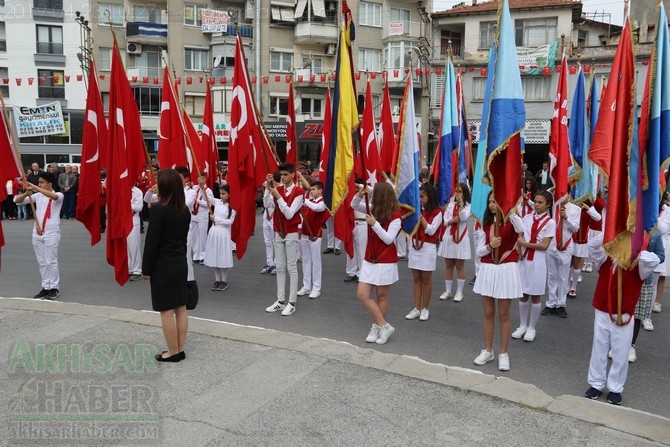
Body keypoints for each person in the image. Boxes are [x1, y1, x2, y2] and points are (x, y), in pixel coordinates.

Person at [584, 233, 661, 405]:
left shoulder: (639, 265)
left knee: (620, 352)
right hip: (603, 311)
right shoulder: (605, 258)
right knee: (599, 348)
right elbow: (593, 246)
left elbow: (654, 260)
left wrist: (635, 251)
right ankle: (596, 383)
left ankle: (615, 388)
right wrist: (611, 231)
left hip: (624, 314)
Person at [142, 169, 191, 363]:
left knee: (166, 311)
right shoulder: (184, 209)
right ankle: (179, 348)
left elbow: (152, 243)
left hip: (163, 265)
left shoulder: (159, 210)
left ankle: (172, 352)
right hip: (180, 261)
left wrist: (146, 269)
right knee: (181, 308)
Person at [472, 192, 525, 371]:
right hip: (488, 269)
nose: (492, 205)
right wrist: (490, 246)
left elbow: (522, 227)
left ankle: (503, 353)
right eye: (490, 202)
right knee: (488, 312)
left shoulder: (512, 221)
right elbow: (479, 251)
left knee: (504, 313)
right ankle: (488, 350)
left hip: (506, 269)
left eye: (495, 201)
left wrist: (511, 210)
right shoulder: (485, 224)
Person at [352, 182, 402, 345]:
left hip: (385, 259)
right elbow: (354, 205)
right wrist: (360, 193)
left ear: (381, 197)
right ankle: (384, 325)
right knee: (362, 294)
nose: (371, 198)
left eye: (374, 195)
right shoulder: (373, 208)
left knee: (382, 295)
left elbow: (388, 239)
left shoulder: (396, 215)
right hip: (370, 258)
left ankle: (377, 326)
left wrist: (375, 225)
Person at [513, 190, 555, 342]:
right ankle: (522, 325)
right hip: (523, 259)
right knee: (523, 294)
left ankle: (532, 327)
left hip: (537, 262)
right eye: (535, 202)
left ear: (548, 204)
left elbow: (544, 245)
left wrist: (524, 244)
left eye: (540, 202)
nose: (536, 205)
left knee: (535, 295)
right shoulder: (527, 217)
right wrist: (519, 249)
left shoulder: (550, 223)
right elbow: (520, 234)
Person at [14, 172, 64, 300]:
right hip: (37, 232)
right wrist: (26, 193)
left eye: (41, 182)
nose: (39, 184)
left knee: (51, 261)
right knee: (42, 262)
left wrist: (35, 188)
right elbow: (16, 201)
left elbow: (53, 196)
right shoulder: (37, 196)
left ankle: (54, 287)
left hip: (51, 233)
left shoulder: (59, 195)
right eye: (39, 182)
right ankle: (45, 287)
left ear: (50, 184)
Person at [265, 162, 305, 316]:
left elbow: (289, 214)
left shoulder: (299, 192)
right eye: (281, 175)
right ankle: (280, 300)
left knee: (291, 267)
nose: (283, 177)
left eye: (285, 175)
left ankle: (292, 302)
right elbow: (268, 204)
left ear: (292, 175)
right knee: (280, 267)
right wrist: (269, 190)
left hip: (291, 232)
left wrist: (279, 197)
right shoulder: (278, 189)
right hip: (278, 232)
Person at [406, 183, 442, 321]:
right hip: (415, 245)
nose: (419, 199)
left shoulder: (438, 212)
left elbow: (431, 230)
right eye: (418, 196)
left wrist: (420, 217)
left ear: (429, 196)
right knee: (416, 278)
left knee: (426, 279)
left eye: (422, 196)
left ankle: (425, 308)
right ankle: (416, 307)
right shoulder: (418, 210)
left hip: (427, 247)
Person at [629, 231, 665, 362]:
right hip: (626, 276)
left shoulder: (655, 235)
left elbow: (661, 256)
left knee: (636, 315)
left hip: (643, 279)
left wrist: (644, 256)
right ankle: (617, 344)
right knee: (623, 312)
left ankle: (631, 346)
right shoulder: (628, 229)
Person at [544, 198, 580, 318]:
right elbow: (543, 198)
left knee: (563, 277)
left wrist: (566, 218)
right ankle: (551, 303)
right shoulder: (553, 206)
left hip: (565, 245)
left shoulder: (576, 209)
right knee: (552, 275)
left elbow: (575, 228)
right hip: (552, 244)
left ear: (569, 194)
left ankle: (561, 304)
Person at [437, 183, 472, 302]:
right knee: (448, 264)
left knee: (459, 264)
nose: (458, 193)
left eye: (460, 191)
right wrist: (453, 220)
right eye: (456, 191)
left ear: (465, 193)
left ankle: (459, 292)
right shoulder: (451, 205)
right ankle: (448, 290)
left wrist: (461, 204)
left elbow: (463, 217)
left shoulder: (468, 206)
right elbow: (445, 221)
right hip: (449, 236)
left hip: (461, 237)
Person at [296, 172, 328, 299]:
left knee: (316, 262)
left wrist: (304, 201)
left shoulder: (323, 202)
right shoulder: (309, 200)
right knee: (306, 261)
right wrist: (300, 176)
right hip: (304, 233)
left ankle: (316, 287)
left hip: (315, 234)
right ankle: (306, 285)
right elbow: (307, 188)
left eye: (314, 189)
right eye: (311, 189)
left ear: (320, 191)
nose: (311, 191)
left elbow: (317, 208)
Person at [204, 184, 236, 291]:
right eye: (220, 193)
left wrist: (216, 219)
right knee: (215, 256)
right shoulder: (217, 202)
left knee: (223, 257)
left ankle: (224, 281)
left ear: (229, 194)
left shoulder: (232, 208)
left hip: (223, 233)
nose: (221, 196)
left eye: (224, 194)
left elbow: (229, 222)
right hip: (214, 231)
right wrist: (202, 188)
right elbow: (206, 197)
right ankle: (217, 280)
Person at [567, 200, 602, 297]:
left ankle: (573, 288)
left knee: (576, 264)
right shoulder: (571, 205)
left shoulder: (589, 207)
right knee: (568, 263)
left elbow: (598, 218)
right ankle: (567, 286)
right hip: (569, 238)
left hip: (581, 240)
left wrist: (587, 208)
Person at [344, 178, 368, 283]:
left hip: (362, 222)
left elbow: (369, 189)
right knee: (350, 248)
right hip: (350, 223)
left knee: (361, 250)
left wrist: (359, 185)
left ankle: (361, 273)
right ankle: (351, 272)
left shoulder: (366, 195)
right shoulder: (349, 194)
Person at [190, 172, 214, 264]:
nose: (201, 180)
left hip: (202, 215)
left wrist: (198, 201)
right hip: (194, 215)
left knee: (203, 236)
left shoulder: (208, 191)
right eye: (199, 178)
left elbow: (209, 204)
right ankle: (196, 255)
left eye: (203, 178)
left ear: (205, 179)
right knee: (194, 236)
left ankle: (204, 256)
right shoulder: (195, 188)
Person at [260, 173, 279, 275]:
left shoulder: (280, 189)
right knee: (268, 242)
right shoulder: (269, 188)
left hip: (275, 218)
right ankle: (269, 263)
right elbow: (266, 204)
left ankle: (276, 263)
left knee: (276, 242)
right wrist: (267, 187)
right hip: (266, 218)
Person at [127, 184, 144, 281]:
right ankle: (129, 268)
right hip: (123, 220)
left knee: (134, 246)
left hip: (133, 220)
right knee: (125, 246)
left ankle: (137, 270)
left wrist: (127, 203)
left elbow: (139, 208)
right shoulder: (121, 189)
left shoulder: (137, 192)